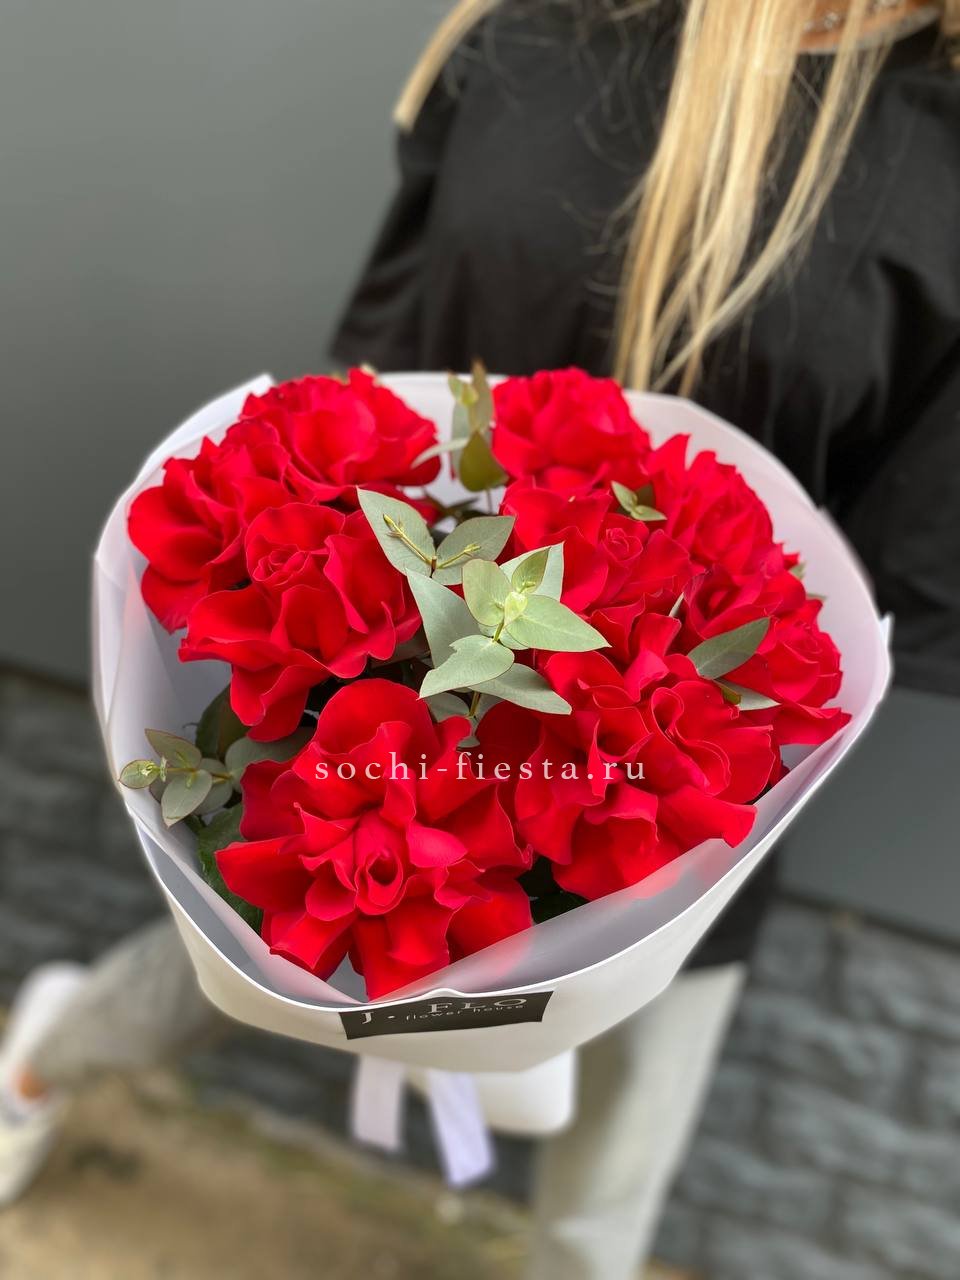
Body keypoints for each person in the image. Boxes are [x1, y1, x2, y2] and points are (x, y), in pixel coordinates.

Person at [2, 2, 958, 1277]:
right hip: (381, 708)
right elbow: (374, 374)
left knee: (619, 1139)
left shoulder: (942, 142)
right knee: (249, 954)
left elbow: (900, 571)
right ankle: (41, 1061)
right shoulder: (531, 33)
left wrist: (687, 656)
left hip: (670, 784)